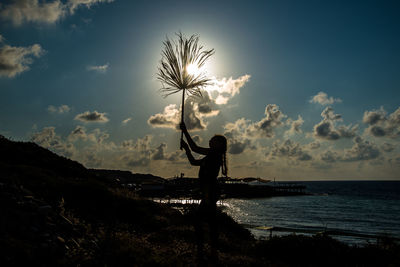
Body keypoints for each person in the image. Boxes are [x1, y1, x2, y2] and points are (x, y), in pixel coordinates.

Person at [179, 122, 228, 263]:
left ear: (219, 144)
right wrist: (187, 149)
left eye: (213, 140)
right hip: (208, 191)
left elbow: (196, 148)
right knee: (208, 222)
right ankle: (209, 251)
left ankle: (204, 251)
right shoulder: (211, 156)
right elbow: (194, 162)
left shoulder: (215, 154)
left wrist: (185, 130)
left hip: (210, 191)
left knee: (201, 221)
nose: (210, 141)